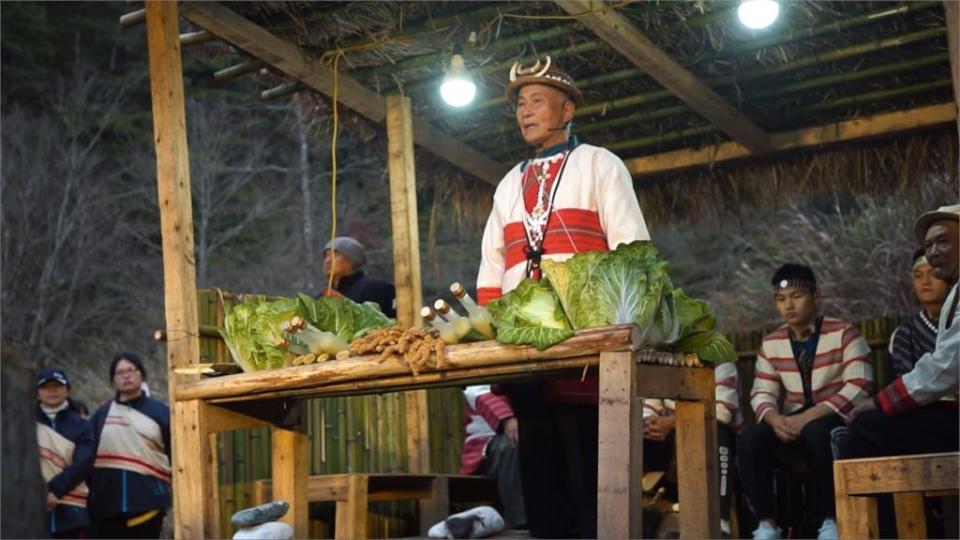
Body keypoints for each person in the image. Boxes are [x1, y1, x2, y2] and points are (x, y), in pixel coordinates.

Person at [475, 55, 650, 538]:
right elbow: (491, 269)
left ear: (567, 109)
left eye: (537, 101)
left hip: (587, 348)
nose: (525, 112)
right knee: (540, 473)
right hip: (526, 351)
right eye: (519, 105)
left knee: (591, 472)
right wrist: (493, 338)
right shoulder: (509, 183)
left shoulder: (600, 164)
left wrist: (619, 328)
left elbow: (633, 252)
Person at [737, 264, 873, 540]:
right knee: (751, 437)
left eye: (796, 296)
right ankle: (766, 524)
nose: (789, 305)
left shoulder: (844, 333)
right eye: (781, 298)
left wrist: (807, 418)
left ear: (816, 296)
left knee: (816, 431)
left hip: (833, 419)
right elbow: (761, 392)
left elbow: (860, 385)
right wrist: (775, 420)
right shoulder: (772, 343)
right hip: (790, 422)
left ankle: (830, 521)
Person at [844, 204, 960, 457]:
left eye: (942, 241)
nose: (934, 252)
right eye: (928, 246)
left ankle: (860, 498)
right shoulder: (907, 331)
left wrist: (879, 401)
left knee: (867, 427)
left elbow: (948, 366)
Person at [642, 362, 744, 537]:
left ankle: (720, 523)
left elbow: (723, 411)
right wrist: (650, 423)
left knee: (719, 432)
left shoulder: (722, 363)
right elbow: (648, 406)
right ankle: (644, 514)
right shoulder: (663, 363)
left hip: (715, 445)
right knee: (643, 433)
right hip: (674, 445)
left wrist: (673, 422)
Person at [88, 353, 171, 539]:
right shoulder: (101, 415)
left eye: (131, 370)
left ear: (141, 374)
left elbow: (174, 455)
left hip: (148, 504)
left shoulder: (161, 413)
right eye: (120, 373)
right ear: (113, 379)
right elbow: (86, 456)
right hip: (106, 507)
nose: (126, 376)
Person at [36, 368, 94, 538]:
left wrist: (54, 491)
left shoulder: (82, 425)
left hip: (72, 512)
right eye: (46, 387)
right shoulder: (23, 422)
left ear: (67, 390)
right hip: (32, 511)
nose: (52, 390)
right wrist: (40, 493)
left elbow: (83, 463)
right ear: (37, 393)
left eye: (57, 386)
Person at [459, 385, 525, 529]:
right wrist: (507, 418)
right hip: (487, 443)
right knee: (511, 444)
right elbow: (478, 392)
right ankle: (520, 523)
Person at [888, 249, 951, 378]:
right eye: (918, 275)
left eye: (933, 274)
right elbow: (904, 385)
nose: (925, 281)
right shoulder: (905, 334)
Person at [317, 236, 396, 318]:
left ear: (353, 260)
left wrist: (346, 305)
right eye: (326, 255)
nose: (328, 260)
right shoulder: (322, 297)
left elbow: (385, 323)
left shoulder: (374, 288)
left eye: (335, 254)